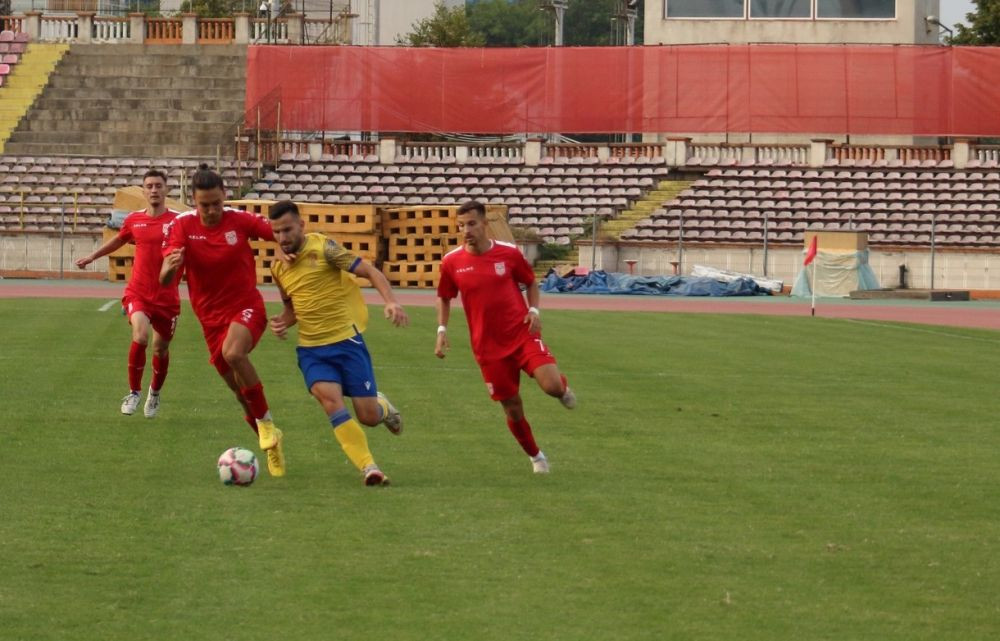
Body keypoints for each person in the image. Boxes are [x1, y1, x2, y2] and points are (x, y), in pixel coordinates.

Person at [267, 200, 408, 486]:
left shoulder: (325, 249)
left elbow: (370, 271)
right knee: (331, 402)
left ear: (301, 225)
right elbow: (293, 308)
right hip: (311, 350)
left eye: (288, 230)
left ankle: (382, 406)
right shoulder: (278, 268)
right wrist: (282, 321)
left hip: (346, 342)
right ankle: (369, 467)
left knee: (368, 416)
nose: (283, 237)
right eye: (277, 232)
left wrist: (391, 302)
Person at [159, 164, 286, 477]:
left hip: (246, 307)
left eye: (217, 203)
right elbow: (164, 280)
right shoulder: (181, 226)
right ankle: (272, 445)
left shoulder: (239, 219)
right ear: (194, 200)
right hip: (211, 321)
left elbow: (281, 232)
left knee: (234, 353)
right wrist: (170, 267)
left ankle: (266, 423)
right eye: (205, 205)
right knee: (240, 395)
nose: (212, 210)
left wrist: (285, 249)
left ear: (225, 196)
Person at [435, 200, 576, 474]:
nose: (466, 230)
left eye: (472, 224)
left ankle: (563, 388)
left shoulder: (509, 253)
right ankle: (536, 457)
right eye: (461, 225)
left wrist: (534, 310)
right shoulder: (452, 262)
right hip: (487, 348)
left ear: (485, 223)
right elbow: (444, 297)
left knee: (552, 387)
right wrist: (441, 330)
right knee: (512, 407)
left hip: (522, 334)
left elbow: (530, 282)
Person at [75, 169, 181, 418]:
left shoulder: (178, 222)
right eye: (149, 186)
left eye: (158, 186)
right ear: (143, 191)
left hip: (167, 298)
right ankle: (134, 392)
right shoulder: (134, 220)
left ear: (166, 190)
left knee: (160, 349)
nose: (154, 190)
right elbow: (119, 240)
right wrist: (92, 256)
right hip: (139, 293)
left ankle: (154, 393)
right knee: (141, 336)